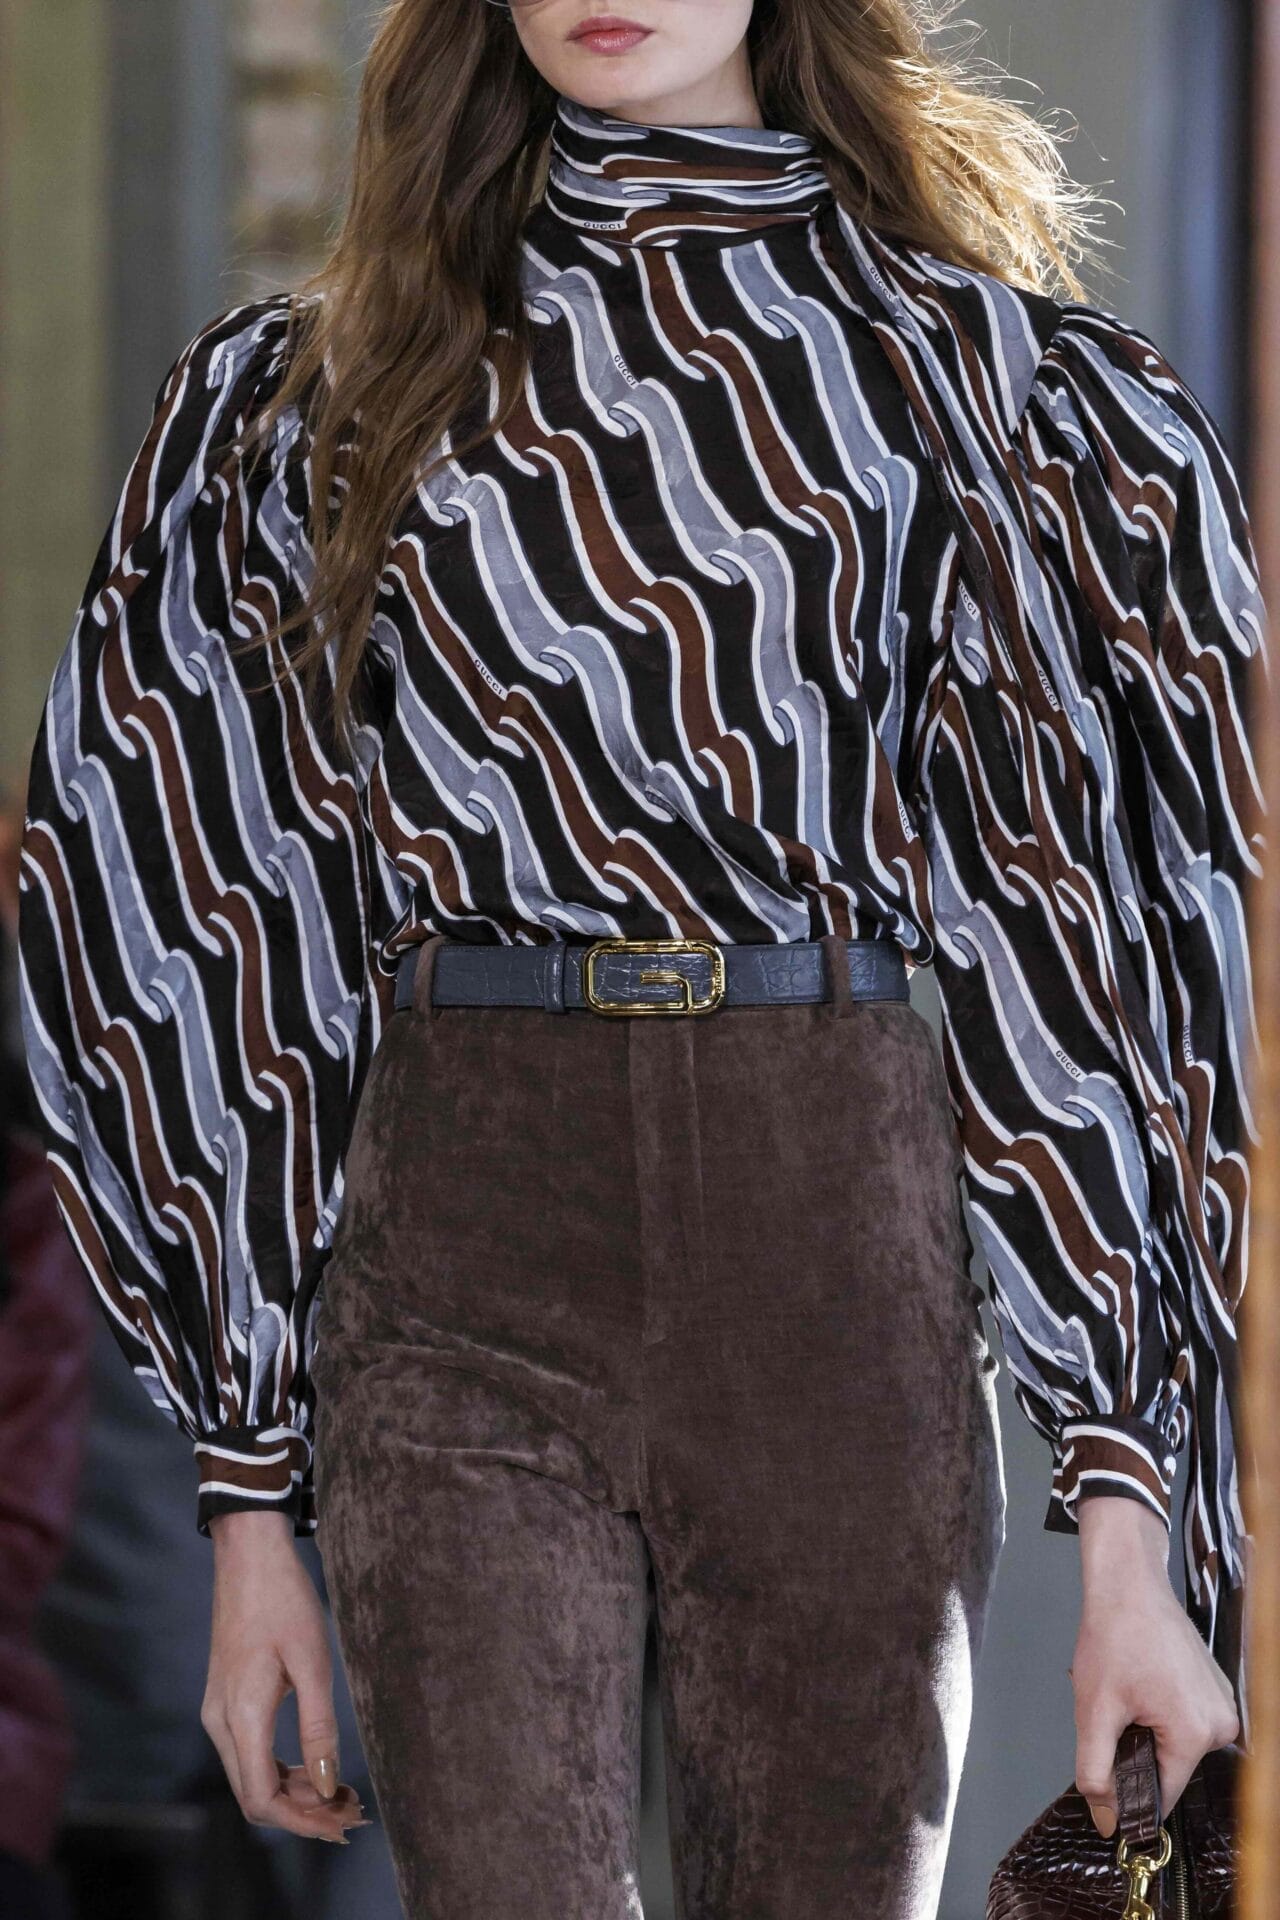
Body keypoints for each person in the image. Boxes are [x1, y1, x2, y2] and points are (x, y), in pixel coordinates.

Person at [15, 1, 1262, 1915]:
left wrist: (1130, 1536)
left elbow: (1060, 946)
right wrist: (250, 1510)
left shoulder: (977, 383)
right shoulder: (326, 384)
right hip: (460, 1260)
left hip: (833, 1256)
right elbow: (234, 921)